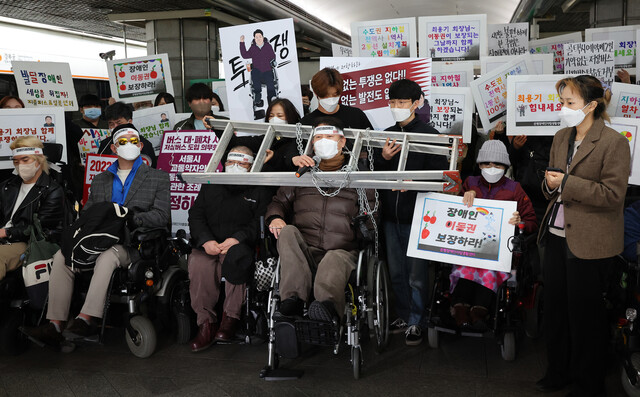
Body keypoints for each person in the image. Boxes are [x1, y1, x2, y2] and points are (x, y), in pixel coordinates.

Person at [24, 124, 170, 349]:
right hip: (97, 239)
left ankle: (86, 319)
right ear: (113, 147)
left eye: (134, 141)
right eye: (123, 142)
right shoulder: (101, 179)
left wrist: (130, 217)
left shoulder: (157, 177)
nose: (129, 145)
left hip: (130, 243)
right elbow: (88, 214)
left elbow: (161, 217)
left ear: (141, 146)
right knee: (63, 257)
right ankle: (55, 324)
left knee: (107, 257)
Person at [536, 75, 630, 396]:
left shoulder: (614, 142)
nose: (563, 108)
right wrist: (550, 184)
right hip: (556, 233)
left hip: (590, 239)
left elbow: (613, 194)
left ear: (591, 105)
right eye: (562, 101)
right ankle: (557, 371)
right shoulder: (561, 136)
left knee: (585, 315)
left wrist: (564, 183)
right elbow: (551, 184)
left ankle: (588, 382)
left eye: (570, 103)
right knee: (556, 310)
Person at [266, 118, 375, 323]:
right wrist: (275, 217)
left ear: (342, 142)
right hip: (306, 249)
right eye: (318, 137)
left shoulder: (360, 177)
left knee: (334, 258)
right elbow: (278, 202)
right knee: (287, 232)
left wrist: (362, 232)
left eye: (329, 136)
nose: (323, 141)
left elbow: (372, 217)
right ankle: (293, 299)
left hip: (342, 251)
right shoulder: (302, 174)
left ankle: (326, 308)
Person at [376, 79, 449, 345]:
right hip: (389, 217)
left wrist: (414, 185)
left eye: (402, 103)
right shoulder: (385, 134)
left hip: (418, 216)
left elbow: (440, 177)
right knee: (396, 271)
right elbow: (373, 176)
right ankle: (405, 315)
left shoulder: (430, 135)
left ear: (416, 103)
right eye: (393, 103)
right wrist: (383, 159)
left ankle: (418, 320)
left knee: (417, 274)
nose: (396, 107)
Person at [187, 146, 271, 352]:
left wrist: (237, 239)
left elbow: (259, 222)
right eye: (231, 162)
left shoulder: (260, 189)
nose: (235, 167)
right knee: (199, 263)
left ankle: (230, 319)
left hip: (238, 245)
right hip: (211, 243)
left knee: (237, 259)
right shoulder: (211, 184)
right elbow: (196, 215)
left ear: (252, 166)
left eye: (242, 163)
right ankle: (206, 323)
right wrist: (206, 240)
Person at [450, 140, 537, 326]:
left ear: (505, 166)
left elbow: (532, 221)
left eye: (497, 164)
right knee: (465, 265)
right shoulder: (470, 183)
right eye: (486, 163)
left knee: (491, 268)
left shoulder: (515, 189)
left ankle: (481, 307)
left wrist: (519, 222)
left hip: (500, 249)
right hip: (470, 246)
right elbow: (452, 213)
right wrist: (464, 197)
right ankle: (459, 305)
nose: (491, 168)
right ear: (479, 165)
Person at [0, 136, 64, 280]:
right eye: (16, 161)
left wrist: (7, 232)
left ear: (39, 159)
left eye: (25, 160)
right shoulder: (7, 186)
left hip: (29, 243)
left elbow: (40, 229)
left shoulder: (52, 190)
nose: (20, 165)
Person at [300, 68, 373, 130]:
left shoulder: (356, 115)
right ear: (316, 93)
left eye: (335, 95)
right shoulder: (306, 123)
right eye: (325, 95)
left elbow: (372, 143)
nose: (330, 99)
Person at [97, 102, 157, 167]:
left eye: (119, 123)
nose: (115, 127)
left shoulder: (145, 144)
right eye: (111, 124)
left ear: (130, 122)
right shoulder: (105, 144)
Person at [240, 29, 277, 111]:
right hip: (257, 71)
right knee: (254, 74)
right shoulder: (253, 48)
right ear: (254, 38)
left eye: (260, 36)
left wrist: (272, 62)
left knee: (271, 86)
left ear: (263, 37)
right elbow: (245, 55)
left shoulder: (268, 46)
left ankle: (272, 100)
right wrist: (242, 42)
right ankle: (258, 98)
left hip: (267, 70)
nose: (258, 38)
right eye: (256, 37)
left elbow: (273, 56)